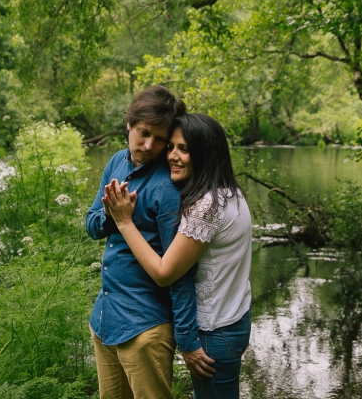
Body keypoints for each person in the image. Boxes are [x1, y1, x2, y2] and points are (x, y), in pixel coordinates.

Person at [104, 113, 252, 399]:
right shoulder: (231, 192)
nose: (172, 156)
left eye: (184, 149)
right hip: (235, 317)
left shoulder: (206, 208)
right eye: (171, 147)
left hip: (215, 330)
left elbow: (164, 273)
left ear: (205, 153)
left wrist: (124, 222)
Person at [86, 85, 210, 399]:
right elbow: (91, 223)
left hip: (145, 329)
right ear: (128, 124)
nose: (150, 145)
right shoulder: (116, 163)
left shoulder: (168, 187)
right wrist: (112, 216)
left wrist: (187, 339)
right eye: (143, 133)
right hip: (105, 320)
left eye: (160, 139)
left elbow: (180, 271)